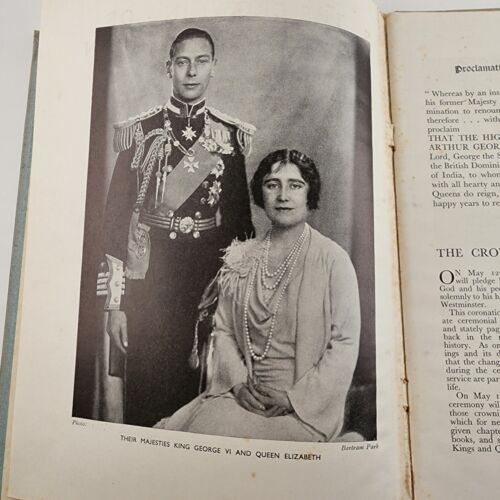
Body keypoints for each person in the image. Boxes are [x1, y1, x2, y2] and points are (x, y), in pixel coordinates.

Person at [100, 28, 255, 426]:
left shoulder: (228, 138)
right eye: (182, 62)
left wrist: (230, 296)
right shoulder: (140, 131)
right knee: (148, 384)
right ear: (168, 67)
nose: (191, 72)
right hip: (149, 274)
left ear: (214, 68)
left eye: (201, 62)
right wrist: (116, 305)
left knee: (197, 395)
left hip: (205, 280)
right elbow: (115, 221)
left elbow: (240, 226)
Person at [154, 149, 361, 442]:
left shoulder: (333, 261)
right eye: (272, 184)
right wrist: (238, 384)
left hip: (301, 409)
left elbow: (345, 342)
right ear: (260, 193)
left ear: (309, 194)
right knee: (205, 431)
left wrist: (292, 399)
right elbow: (222, 329)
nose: (283, 196)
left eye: (295, 185)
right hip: (243, 397)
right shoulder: (241, 256)